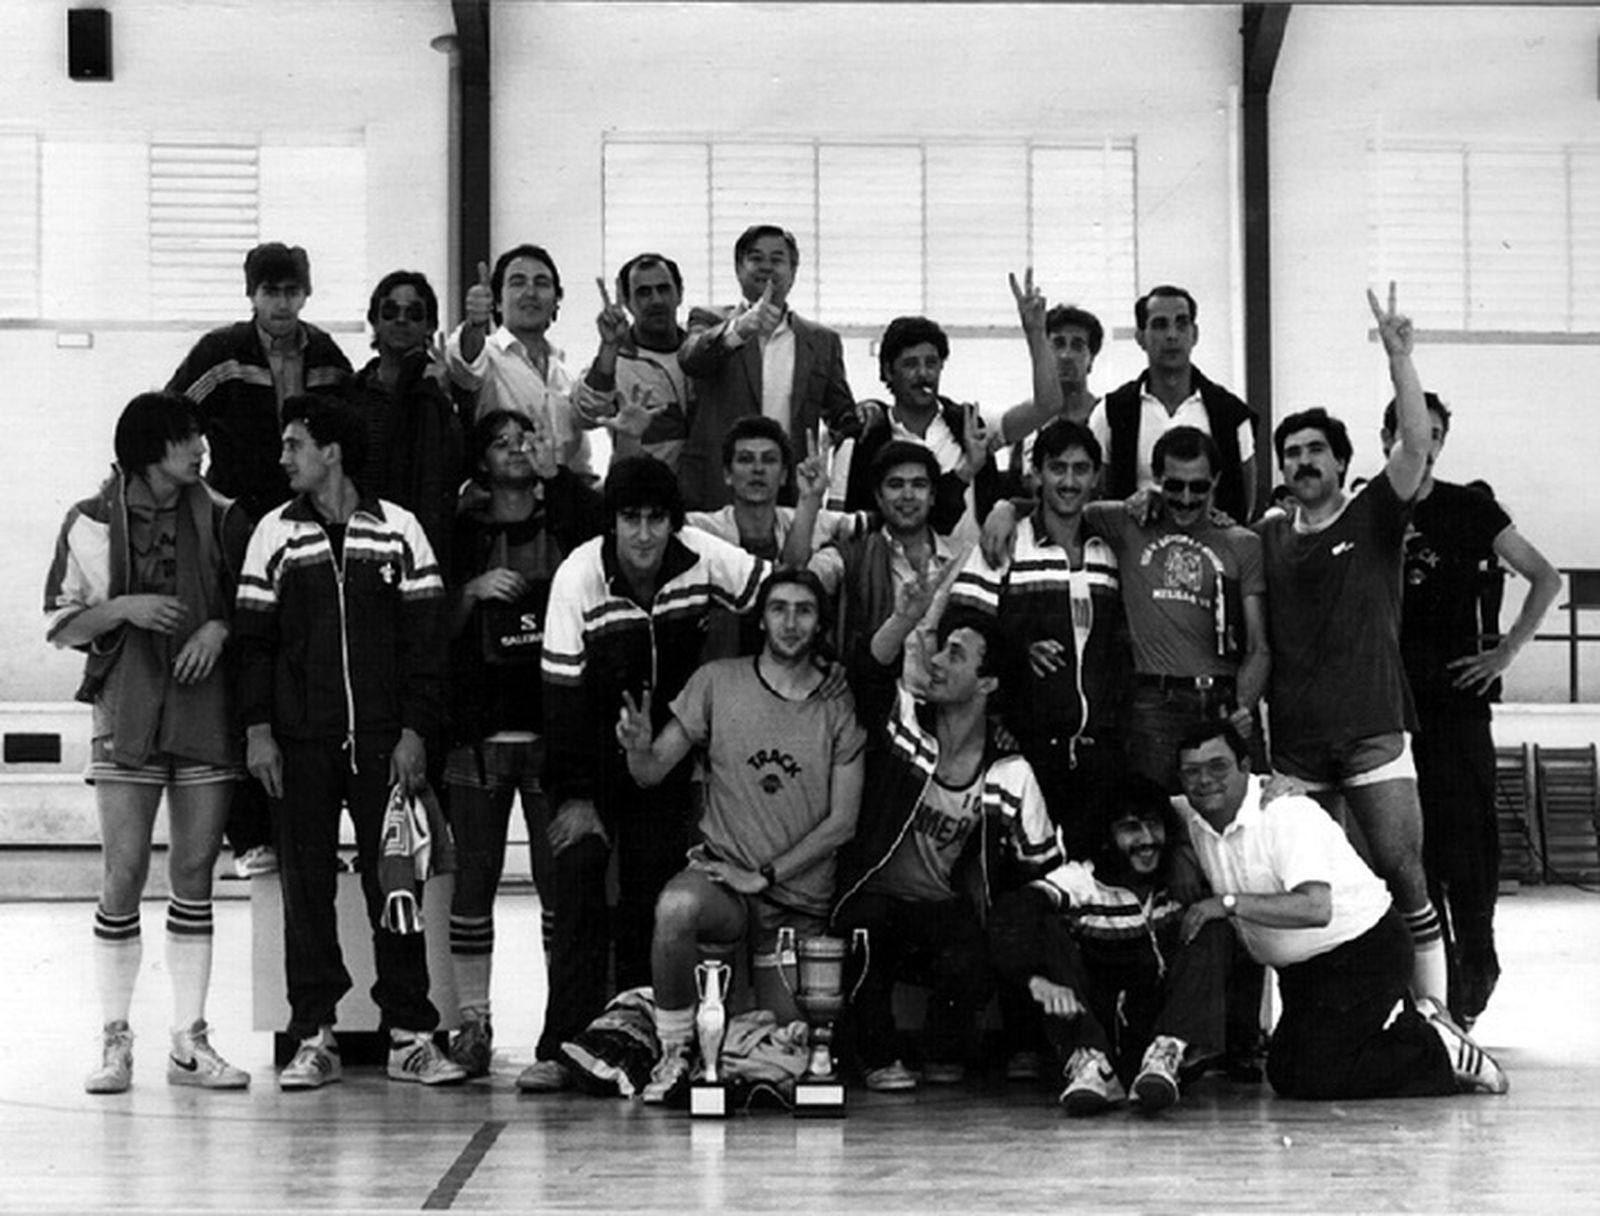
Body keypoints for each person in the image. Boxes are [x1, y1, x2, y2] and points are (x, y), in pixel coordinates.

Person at [234, 396, 464, 1089]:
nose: (284, 458)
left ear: (331, 451)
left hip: (388, 744)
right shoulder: (274, 534)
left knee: (395, 886)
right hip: (300, 746)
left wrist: (416, 732)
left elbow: (427, 647)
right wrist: (258, 733)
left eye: (295, 444)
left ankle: (411, 1037)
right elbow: (253, 644)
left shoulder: (400, 532)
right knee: (305, 891)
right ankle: (314, 1036)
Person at [524, 456, 772, 1092]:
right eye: (629, 518)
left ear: (674, 524)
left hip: (662, 758)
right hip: (588, 757)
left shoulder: (701, 555)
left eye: (655, 519)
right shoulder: (579, 575)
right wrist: (577, 797)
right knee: (578, 882)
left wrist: (824, 563)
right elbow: (559, 701)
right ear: (612, 523)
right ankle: (559, 1046)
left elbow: (774, 591)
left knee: (650, 897)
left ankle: (634, 1045)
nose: (642, 533)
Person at [45, 392, 255, 1094]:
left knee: (195, 876)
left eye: (197, 436)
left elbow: (253, 610)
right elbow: (63, 624)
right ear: (148, 452)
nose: (198, 448)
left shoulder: (225, 517)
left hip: (205, 712)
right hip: (127, 710)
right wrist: (125, 609)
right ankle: (115, 1038)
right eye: (185, 439)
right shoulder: (89, 522)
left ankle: (190, 1043)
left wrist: (217, 629)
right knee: (124, 873)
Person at [1254, 285, 1449, 1005]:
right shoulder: (1266, 536)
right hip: (1298, 747)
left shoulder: (1374, 513)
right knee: (1298, 889)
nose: (1304, 461)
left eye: (1316, 451)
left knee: (1403, 874)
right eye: (1293, 453)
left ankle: (1436, 1016)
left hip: (1372, 732)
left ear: (1340, 462)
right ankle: (1289, 1029)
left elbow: (1416, 444)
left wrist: (1401, 358)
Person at [616, 569, 866, 1103]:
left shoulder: (838, 704)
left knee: (785, 1052)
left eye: (804, 610)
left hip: (796, 899)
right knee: (676, 908)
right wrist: (638, 747)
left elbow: (842, 822)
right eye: (779, 608)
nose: (791, 622)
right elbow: (652, 771)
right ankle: (675, 1054)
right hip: (725, 885)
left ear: (820, 622)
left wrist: (765, 875)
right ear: (762, 618)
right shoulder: (717, 682)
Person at [1172, 721, 1508, 1100]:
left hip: (1363, 954)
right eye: (1192, 771)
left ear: (1246, 767)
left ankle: (1438, 1049)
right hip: (1304, 976)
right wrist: (1180, 852)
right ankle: (1407, 1029)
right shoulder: (1195, 818)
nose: (1205, 781)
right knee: (1286, 1070)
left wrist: (1227, 904)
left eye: (1218, 767)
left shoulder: (1284, 814)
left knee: (1311, 1075)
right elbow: (1146, 806)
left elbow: (1316, 908)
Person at [167, 241, 353, 878]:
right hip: (240, 528)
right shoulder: (220, 352)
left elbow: (351, 434)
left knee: (308, 663)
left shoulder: (328, 356)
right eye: (268, 291)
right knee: (249, 662)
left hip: (310, 532)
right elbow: (169, 417)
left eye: (290, 290)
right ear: (251, 295)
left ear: (305, 293)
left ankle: (311, 831)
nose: (280, 302)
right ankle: (249, 837)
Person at [831, 595, 1060, 1092]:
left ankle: (952, 1049)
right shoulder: (907, 723)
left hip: (938, 911)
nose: (935, 662)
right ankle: (875, 1056)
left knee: (976, 950)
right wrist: (904, 617)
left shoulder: (1009, 771)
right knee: (867, 926)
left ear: (988, 683)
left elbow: (1044, 873)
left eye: (954, 654)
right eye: (939, 650)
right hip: (871, 901)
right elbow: (866, 672)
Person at [1380, 393, 1560, 1026]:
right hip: (1388, 714)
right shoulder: (1369, 508)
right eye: (1409, 432)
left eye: (1432, 435)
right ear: (1388, 437)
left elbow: (1546, 577)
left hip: (1456, 707)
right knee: (1408, 859)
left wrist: (1505, 653)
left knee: (1468, 851)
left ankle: (1477, 967)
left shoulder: (1469, 510)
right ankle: (1434, 988)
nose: (1420, 444)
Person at [442, 409, 605, 1076]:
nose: (513, 451)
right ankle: (474, 1025)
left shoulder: (566, 523)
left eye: (524, 442)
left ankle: (559, 1026)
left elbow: (600, 535)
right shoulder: (459, 531)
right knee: (473, 884)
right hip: (477, 736)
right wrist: (473, 590)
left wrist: (555, 470)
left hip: (552, 735)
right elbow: (428, 620)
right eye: (499, 443)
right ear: (478, 459)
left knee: (557, 886)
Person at [988, 774, 1227, 1114]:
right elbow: (1012, 915)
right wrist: (1036, 980)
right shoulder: (1081, 879)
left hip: (1165, 1048)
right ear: (1105, 835)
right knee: (1047, 923)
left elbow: (1209, 811)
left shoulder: (1177, 877)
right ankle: (1090, 1065)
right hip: (1095, 1030)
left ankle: (1167, 1053)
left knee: (1211, 920)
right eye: (1131, 828)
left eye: (1154, 826)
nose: (1147, 840)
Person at [946, 419, 1126, 859]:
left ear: (1096, 477)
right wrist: (1017, 652)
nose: (1068, 481)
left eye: (1080, 469)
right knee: (1024, 878)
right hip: (1023, 745)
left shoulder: (1109, 547)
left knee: (1087, 874)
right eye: (1057, 468)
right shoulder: (1006, 541)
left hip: (1097, 749)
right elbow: (960, 623)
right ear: (1036, 473)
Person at [1086, 425, 1269, 791]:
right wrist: (1006, 508)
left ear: (1216, 480)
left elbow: (1258, 646)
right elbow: (1069, 508)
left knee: (1249, 824)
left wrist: (1241, 708)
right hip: (1155, 706)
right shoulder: (1129, 523)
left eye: (1198, 487)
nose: (1186, 498)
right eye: (1174, 486)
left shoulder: (1242, 544)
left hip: (1223, 700)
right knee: (1161, 823)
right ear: (1157, 480)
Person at [676, 223, 859, 510]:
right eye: (756, 258)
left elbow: (843, 417)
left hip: (790, 490)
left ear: (793, 272)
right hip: (717, 488)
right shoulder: (709, 319)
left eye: (777, 260)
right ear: (739, 268)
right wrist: (740, 329)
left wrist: (836, 491)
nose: (766, 267)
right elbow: (691, 359)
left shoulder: (822, 341)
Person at [1091, 285, 1257, 521]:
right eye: (1160, 325)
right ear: (1140, 337)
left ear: (1195, 334)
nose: (1172, 335)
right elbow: (1097, 493)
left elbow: (1246, 500)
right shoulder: (1110, 412)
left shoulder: (1231, 414)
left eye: (1182, 324)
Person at [811, 440, 964, 694]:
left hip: (941, 717)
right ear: (879, 497)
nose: (907, 495)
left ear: (933, 496)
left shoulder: (961, 563)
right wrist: (820, 660)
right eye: (895, 485)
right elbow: (799, 593)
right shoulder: (848, 558)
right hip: (869, 710)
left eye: (919, 485)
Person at [346, 270, 464, 570]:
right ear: (374, 319)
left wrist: (443, 397)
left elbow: (458, 466)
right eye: (390, 311)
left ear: (430, 325)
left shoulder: (448, 392)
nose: (401, 320)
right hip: (362, 543)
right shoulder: (351, 393)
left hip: (427, 547)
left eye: (413, 313)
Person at [446, 243, 593, 476]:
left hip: (562, 498)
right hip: (503, 500)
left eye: (542, 283)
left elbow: (579, 458)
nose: (531, 293)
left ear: (556, 301)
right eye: (518, 282)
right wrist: (474, 324)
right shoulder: (488, 354)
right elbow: (464, 364)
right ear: (496, 301)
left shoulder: (563, 370)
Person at [573, 251, 693, 469]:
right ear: (628, 303)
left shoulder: (701, 350)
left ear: (680, 294)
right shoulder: (614, 361)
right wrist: (609, 347)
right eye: (643, 293)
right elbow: (586, 414)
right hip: (642, 495)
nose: (656, 300)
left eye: (663, 289)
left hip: (703, 494)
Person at [1000, 301, 1105, 496]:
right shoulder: (1027, 422)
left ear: (1091, 359)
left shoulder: (1108, 417)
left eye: (1077, 346)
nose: (1066, 355)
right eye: (1058, 344)